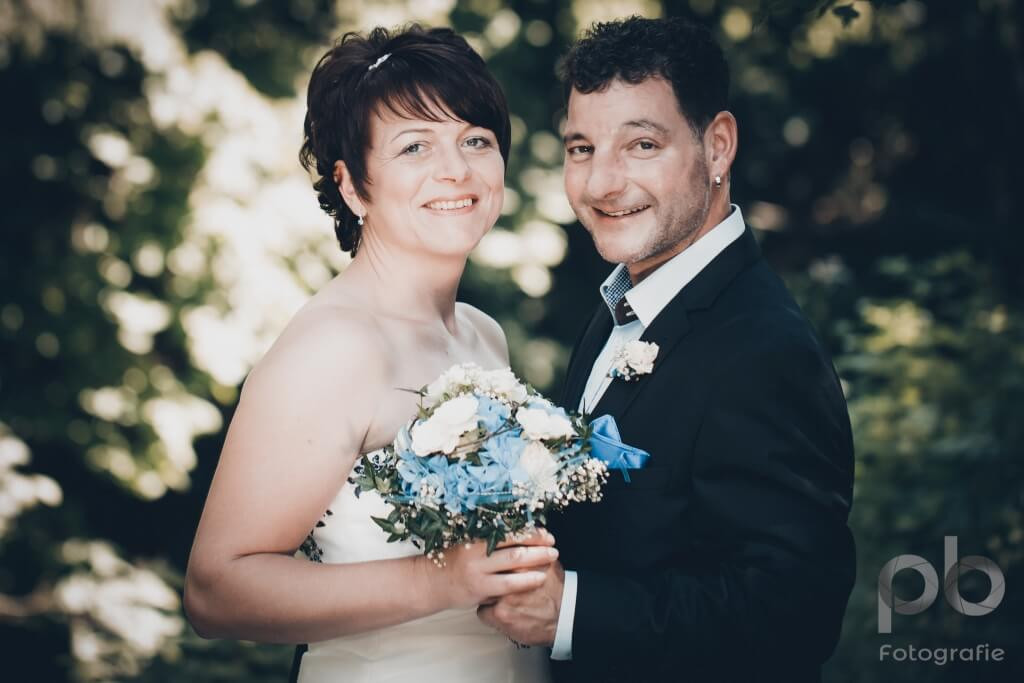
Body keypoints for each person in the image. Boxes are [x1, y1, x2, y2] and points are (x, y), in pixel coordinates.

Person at [478, 16, 857, 682]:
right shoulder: (616, 307)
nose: (602, 184)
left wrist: (571, 612)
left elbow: (794, 612)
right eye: (580, 148)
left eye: (641, 145)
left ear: (717, 147)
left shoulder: (764, 350)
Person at [183, 25, 556, 682]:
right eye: (415, 147)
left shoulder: (481, 332)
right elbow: (216, 590)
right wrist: (441, 579)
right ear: (353, 186)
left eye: (476, 140)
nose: (456, 169)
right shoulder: (335, 347)